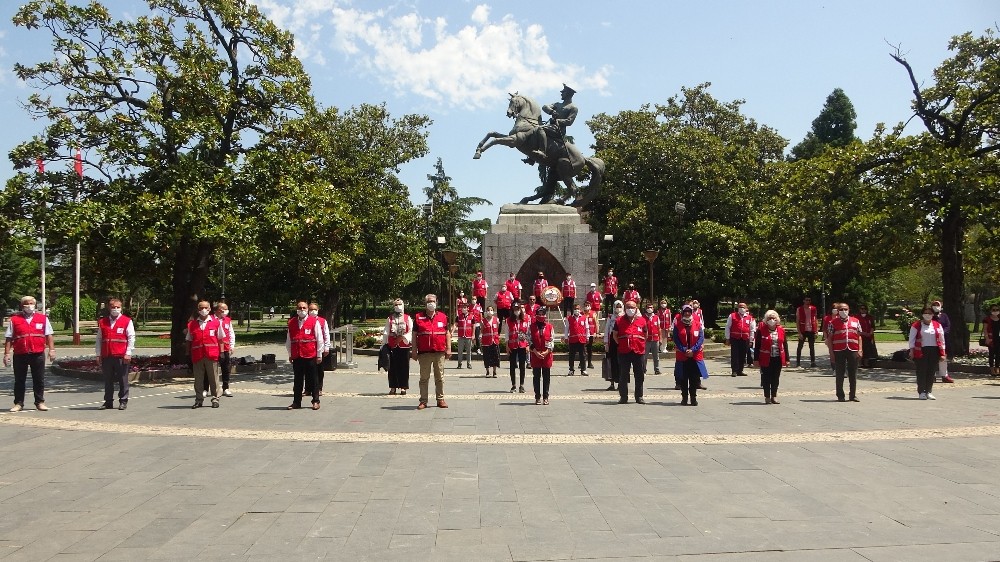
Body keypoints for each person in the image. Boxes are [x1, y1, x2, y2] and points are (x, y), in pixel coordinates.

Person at [5, 296, 55, 412]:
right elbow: (9, 337)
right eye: (27, 303)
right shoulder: (15, 319)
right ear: (22, 306)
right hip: (20, 354)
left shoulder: (42, 318)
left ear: (35, 305)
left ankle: (40, 402)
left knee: (39, 379)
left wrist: (52, 350)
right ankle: (18, 403)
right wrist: (6, 354)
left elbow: (49, 335)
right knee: (19, 380)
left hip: (37, 353)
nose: (29, 305)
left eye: (31, 303)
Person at [411, 294, 451, 409]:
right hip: (424, 353)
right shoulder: (418, 317)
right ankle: (423, 401)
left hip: (439, 352)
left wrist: (448, 348)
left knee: (440, 377)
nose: (431, 303)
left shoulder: (443, 317)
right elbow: (414, 335)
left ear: (436, 302)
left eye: (433, 301)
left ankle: (440, 399)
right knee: (424, 378)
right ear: (425, 303)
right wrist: (414, 351)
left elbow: (447, 333)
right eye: (429, 301)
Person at [95, 298, 135, 410]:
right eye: (113, 307)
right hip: (107, 355)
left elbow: (131, 338)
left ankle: (123, 401)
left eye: (118, 307)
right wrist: (98, 354)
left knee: (123, 379)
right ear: (109, 307)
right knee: (108, 380)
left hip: (121, 356)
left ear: (121, 308)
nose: (115, 309)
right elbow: (99, 339)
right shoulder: (103, 322)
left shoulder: (127, 321)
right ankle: (108, 402)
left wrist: (128, 352)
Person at [285, 301, 322, 410]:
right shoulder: (291, 322)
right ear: (296, 309)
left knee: (313, 379)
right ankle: (296, 402)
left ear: (307, 309)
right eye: (300, 308)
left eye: (304, 308)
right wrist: (290, 354)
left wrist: (319, 355)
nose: (302, 310)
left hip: (310, 354)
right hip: (297, 355)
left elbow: (319, 339)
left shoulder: (313, 322)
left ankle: (315, 401)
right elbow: (288, 340)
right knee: (298, 380)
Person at [189, 300, 224, 409]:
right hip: (198, 355)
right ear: (198, 310)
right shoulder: (192, 324)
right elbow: (189, 340)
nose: (203, 310)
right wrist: (187, 353)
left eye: (206, 308)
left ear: (209, 309)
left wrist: (222, 353)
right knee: (198, 379)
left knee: (213, 378)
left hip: (211, 354)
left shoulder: (216, 322)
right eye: (201, 308)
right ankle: (199, 400)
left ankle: (215, 398)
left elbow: (220, 339)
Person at [613, 300, 648, 404]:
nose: (630, 309)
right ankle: (623, 397)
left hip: (638, 351)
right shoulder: (619, 320)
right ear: (625, 309)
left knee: (639, 375)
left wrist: (640, 343)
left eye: (632, 307)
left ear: (636, 308)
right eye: (628, 307)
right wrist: (621, 343)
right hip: (624, 351)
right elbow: (615, 335)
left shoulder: (642, 320)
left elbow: (646, 334)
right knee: (623, 375)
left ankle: (639, 397)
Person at [533, 83, 579, 161]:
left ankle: (542, 151)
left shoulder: (573, 107)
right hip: (551, 127)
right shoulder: (557, 104)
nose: (561, 93)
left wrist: (558, 120)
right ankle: (532, 157)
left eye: (563, 92)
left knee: (541, 129)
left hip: (558, 130)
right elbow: (544, 107)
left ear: (568, 94)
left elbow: (569, 121)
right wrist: (551, 111)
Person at [673, 305, 708, 406]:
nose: (687, 313)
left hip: (695, 355)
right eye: (685, 312)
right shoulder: (678, 325)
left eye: (689, 311)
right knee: (683, 378)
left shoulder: (697, 324)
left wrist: (693, 350)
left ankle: (693, 398)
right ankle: (684, 398)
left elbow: (701, 338)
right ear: (682, 313)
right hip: (682, 356)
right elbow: (676, 339)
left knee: (694, 378)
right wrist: (684, 350)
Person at [908, 304, 945, 400]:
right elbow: (911, 339)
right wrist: (911, 351)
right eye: (925, 313)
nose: (927, 315)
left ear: (933, 314)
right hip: (921, 350)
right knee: (921, 371)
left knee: (931, 371)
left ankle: (929, 391)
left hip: (934, 350)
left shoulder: (937, 325)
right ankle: (921, 392)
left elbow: (942, 339)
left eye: (930, 313)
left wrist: (943, 353)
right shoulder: (916, 325)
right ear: (922, 314)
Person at [828, 303, 862, 402]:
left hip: (853, 350)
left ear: (849, 310)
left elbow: (859, 336)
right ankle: (840, 395)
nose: (844, 311)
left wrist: (860, 349)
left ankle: (853, 395)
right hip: (839, 350)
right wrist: (831, 353)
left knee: (853, 373)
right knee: (839, 373)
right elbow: (830, 339)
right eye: (841, 309)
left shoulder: (855, 321)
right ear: (838, 311)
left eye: (846, 309)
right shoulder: (833, 322)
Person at [753, 310, 789, 404]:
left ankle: (774, 396)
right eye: (769, 318)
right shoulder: (761, 330)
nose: (772, 320)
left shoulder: (781, 330)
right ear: (766, 320)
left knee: (775, 378)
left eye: (773, 318)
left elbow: (785, 345)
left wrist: (787, 359)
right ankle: (767, 396)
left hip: (777, 357)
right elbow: (757, 346)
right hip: (765, 358)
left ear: (777, 319)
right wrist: (756, 359)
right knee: (766, 378)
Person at [382, 298, 411, 395]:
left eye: (399, 304)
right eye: (396, 304)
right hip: (392, 346)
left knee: (404, 367)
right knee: (392, 367)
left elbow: (411, 331)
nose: (398, 306)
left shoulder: (407, 318)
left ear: (403, 306)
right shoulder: (390, 318)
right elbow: (386, 332)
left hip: (404, 346)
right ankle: (393, 387)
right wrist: (384, 345)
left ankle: (403, 387)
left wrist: (403, 337)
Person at [304, 302, 331, 397]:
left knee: (319, 369)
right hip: (308, 349)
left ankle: (319, 388)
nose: (312, 311)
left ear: (318, 310)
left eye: (314, 309)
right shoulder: (305, 320)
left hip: (320, 349)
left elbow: (326, 334)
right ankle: (307, 389)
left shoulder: (322, 321)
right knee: (307, 370)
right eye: (310, 310)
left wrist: (327, 347)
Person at [530, 307, 555, 405]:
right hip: (536, 354)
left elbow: (552, 340)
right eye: (539, 314)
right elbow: (529, 339)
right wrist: (535, 351)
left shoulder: (549, 327)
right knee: (536, 377)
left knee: (546, 377)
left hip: (546, 356)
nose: (540, 316)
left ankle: (546, 397)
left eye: (542, 314)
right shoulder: (531, 327)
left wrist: (547, 351)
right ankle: (537, 397)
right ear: (536, 315)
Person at [725, 302, 755, 377]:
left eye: (743, 307)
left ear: (746, 308)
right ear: (738, 308)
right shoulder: (732, 316)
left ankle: (740, 370)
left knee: (743, 355)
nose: (741, 308)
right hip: (735, 338)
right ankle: (734, 370)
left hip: (745, 339)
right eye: (740, 307)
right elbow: (727, 327)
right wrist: (727, 338)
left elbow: (752, 330)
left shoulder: (750, 318)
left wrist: (751, 340)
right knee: (735, 354)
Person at [506, 302, 530, 393]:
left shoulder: (526, 319)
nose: (517, 311)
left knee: (522, 366)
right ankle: (513, 385)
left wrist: (527, 345)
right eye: (515, 309)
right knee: (512, 366)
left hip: (522, 345)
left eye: (518, 309)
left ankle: (522, 385)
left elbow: (528, 333)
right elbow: (507, 334)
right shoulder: (509, 320)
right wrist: (507, 346)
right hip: (512, 345)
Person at [602, 300, 624, 391]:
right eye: (616, 306)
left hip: (621, 341)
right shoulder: (610, 317)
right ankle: (612, 383)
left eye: (619, 306)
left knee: (621, 362)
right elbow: (607, 330)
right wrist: (606, 343)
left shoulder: (624, 317)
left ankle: (620, 383)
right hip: (612, 342)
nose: (618, 308)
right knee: (611, 362)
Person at [931, 300, 954, 383]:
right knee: (932, 358)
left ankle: (944, 375)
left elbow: (948, 326)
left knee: (943, 358)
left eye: (937, 305)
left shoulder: (944, 316)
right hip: (932, 339)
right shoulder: (930, 315)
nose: (936, 306)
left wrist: (942, 333)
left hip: (943, 339)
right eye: (934, 305)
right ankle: (932, 375)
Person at [563, 304, 590, 376]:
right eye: (575, 309)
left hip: (581, 340)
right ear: (573, 309)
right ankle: (571, 370)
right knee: (571, 356)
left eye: (578, 308)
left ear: (580, 309)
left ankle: (583, 370)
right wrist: (566, 337)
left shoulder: (584, 318)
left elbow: (587, 328)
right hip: (572, 340)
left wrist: (587, 337)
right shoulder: (569, 318)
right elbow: (566, 329)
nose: (576, 310)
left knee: (583, 355)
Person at [216, 302, 236, 397]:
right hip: (214, 348)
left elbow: (231, 334)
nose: (226, 311)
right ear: (219, 309)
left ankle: (226, 387)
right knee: (211, 369)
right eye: (224, 309)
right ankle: (207, 388)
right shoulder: (211, 320)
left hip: (226, 348)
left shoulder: (227, 320)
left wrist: (232, 346)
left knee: (225, 368)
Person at [795, 296, 818, 367]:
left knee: (812, 346)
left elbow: (815, 319)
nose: (808, 301)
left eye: (809, 300)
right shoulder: (799, 309)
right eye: (806, 300)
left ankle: (813, 362)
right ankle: (798, 363)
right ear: (803, 301)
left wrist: (816, 331)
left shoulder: (813, 309)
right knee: (800, 347)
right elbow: (797, 321)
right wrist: (799, 333)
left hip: (811, 330)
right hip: (803, 330)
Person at [453, 303, 477, 369]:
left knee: (468, 351)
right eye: (462, 307)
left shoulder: (471, 316)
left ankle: (469, 364)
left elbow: (473, 326)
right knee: (460, 351)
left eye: (465, 307)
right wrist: (452, 331)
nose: (463, 309)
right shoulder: (459, 316)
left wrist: (473, 334)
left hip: (468, 336)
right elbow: (455, 325)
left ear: (467, 308)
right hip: (461, 336)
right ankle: (459, 363)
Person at [480, 305, 501, 378]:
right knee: (487, 357)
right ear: (486, 312)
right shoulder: (483, 321)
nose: (490, 311)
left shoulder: (496, 320)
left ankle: (494, 371)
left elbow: (497, 329)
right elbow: (482, 331)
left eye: (491, 310)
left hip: (495, 341)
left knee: (495, 356)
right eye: (488, 310)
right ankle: (487, 371)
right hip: (486, 341)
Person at [642, 301, 662, 375]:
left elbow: (659, 328)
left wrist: (660, 339)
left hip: (655, 339)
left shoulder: (656, 317)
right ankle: (643, 369)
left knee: (656, 356)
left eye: (651, 307)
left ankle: (657, 369)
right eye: (648, 307)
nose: (649, 309)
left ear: (653, 308)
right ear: (646, 309)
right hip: (646, 340)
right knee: (644, 356)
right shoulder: (643, 318)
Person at [983, 305, 999, 376]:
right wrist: (987, 338)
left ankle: (997, 368)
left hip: (999, 338)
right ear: (991, 311)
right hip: (991, 339)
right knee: (992, 354)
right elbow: (985, 329)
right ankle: (992, 369)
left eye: (997, 309)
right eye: (993, 310)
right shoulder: (987, 319)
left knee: (998, 354)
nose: (995, 311)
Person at [583, 301, 599, 370]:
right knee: (582, 349)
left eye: (588, 305)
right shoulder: (581, 313)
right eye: (585, 305)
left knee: (589, 349)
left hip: (591, 334)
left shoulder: (593, 314)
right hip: (583, 334)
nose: (587, 306)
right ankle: (582, 363)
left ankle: (589, 363)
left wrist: (597, 332)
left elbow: (596, 323)